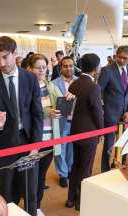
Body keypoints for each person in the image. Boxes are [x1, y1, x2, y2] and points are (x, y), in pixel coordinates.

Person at [0, 36, 44, 216]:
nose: (1, 63)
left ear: (15, 53)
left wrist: (36, 145)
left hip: (27, 140)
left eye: (5, 57)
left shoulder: (30, 78)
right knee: (7, 190)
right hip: (4, 142)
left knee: (30, 188)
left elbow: (37, 113)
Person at [27, 54, 74, 216]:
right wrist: (48, 112)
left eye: (43, 67)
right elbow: (26, 111)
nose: (41, 70)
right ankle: (28, 206)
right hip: (32, 140)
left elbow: (64, 110)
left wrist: (69, 100)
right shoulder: (26, 88)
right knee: (28, 175)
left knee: (40, 175)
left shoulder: (51, 87)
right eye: (37, 67)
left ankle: (36, 206)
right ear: (29, 69)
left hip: (50, 138)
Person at [66, 53, 104, 211]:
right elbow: (97, 111)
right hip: (89, 132)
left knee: (76, 165)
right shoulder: (94, 87)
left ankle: (71, 199)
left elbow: (70, 108)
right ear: (96, 68)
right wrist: (101, 131)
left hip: (75, 130)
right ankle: (82, 201)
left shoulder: (73, 84)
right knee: (86, 168)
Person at [98, 45, 128, 173]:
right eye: (119, 57)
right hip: (110, 114)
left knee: (123, 144)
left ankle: (118, 167)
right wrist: (101, 107)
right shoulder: (107, 70)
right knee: (108, 146)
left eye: (125, 58)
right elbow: (99, 91)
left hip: (126, 115)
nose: (121, 60)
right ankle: (104, 170)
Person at [51, 56, 78, 188]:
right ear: (60, 68)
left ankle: (69, 170)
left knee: (72, 149)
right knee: (59, 149)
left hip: (76, 122)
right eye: (65, 66)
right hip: (61, 121)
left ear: (74, 66)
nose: (68, 68)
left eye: (71, 66)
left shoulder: (79, 82)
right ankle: (62, 174)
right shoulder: (54, 83)